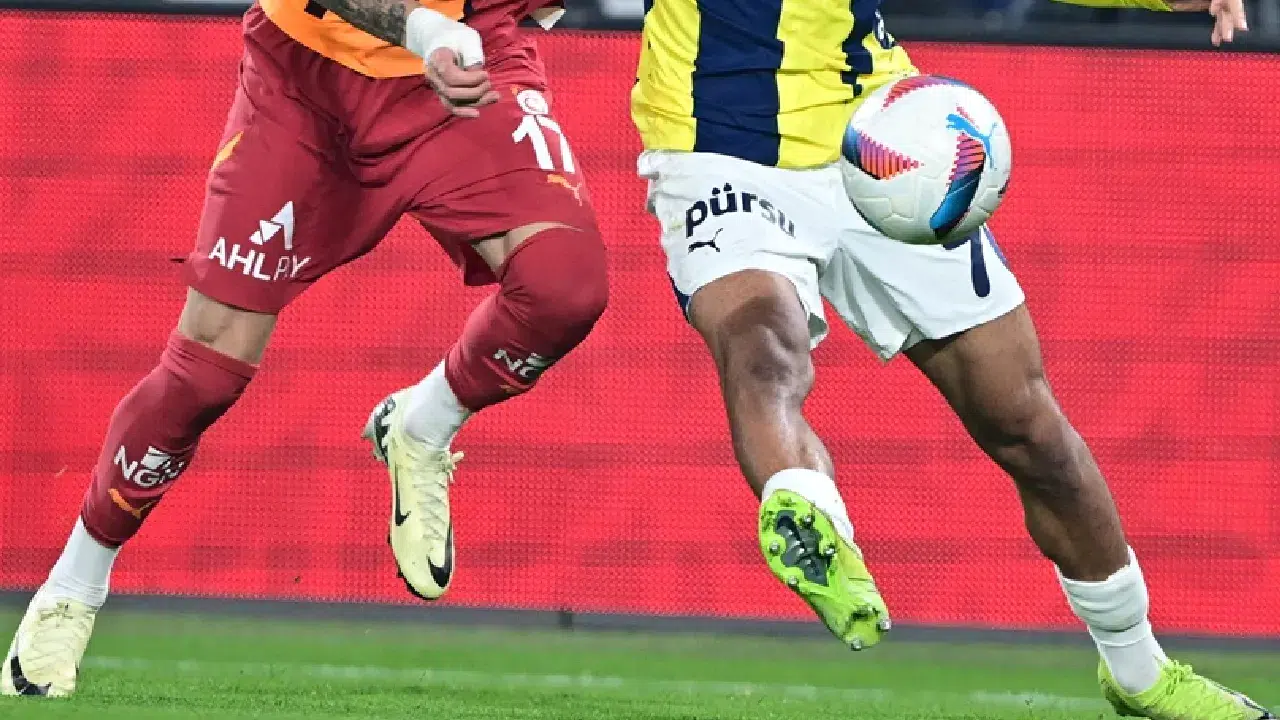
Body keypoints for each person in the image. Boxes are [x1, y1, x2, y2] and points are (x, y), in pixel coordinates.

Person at [631, 0, 1268, 717]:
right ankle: (813, 522)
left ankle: (1139, 672)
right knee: (762, 342)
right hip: (718, 151)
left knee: (1027, 426)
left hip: (885, 146)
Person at [3, 0, 607, 698]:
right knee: (206, 371)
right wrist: (423, 27)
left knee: (565, 288)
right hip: (307, 81)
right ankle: (73, 587)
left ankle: (423, 425)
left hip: (469, 65)